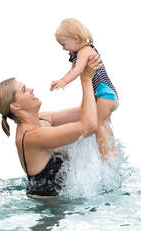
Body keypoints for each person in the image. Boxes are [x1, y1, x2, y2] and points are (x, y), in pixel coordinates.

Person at [0, 54, 101, 199]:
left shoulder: (44, 119)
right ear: (15, 106)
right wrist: (85, 80)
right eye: (24, 90)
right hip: (48, 209)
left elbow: (92, 111)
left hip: (61, 203)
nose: (31, 89)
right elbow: (89, 126)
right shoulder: (32, 137)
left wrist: (85, 70)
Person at [50, 18, 119, 163]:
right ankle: (113, 156)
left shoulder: (85, 50)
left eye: (63, 44)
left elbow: (78, 70)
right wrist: (63, 79)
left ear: (75, 38)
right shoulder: (77, 53)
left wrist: (64, 81)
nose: (63, 48)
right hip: (103, 95)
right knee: (104, 124)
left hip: (106, 94)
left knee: (97, 125)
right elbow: (73, 70)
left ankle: (106, 161)